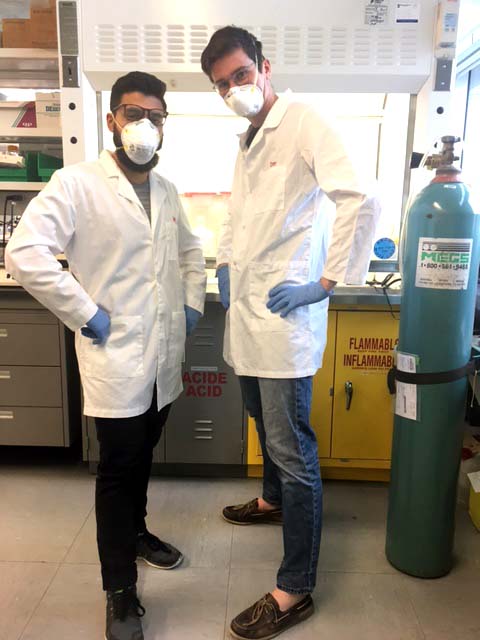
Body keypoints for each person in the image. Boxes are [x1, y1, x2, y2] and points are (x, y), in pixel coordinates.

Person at [5, 71, 206, 640]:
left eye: (156, 116)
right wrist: (85, 311)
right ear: (113, 119)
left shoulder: (166, 189)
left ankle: (136, 534)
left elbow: (192, 254)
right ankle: (119, 590)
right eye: (134, 113)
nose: (146, 125)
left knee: (142, 458)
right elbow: (25, 253)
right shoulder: (76, 183)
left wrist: (191, 307)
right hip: (114, 357)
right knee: (117, 471)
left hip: (162, 358)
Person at [201, 27, 379, 640]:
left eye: (241, 75)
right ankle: (272, 501)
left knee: (292, 448)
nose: (234, 89)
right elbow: (237, 216)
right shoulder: (247, 140)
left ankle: (295, 587)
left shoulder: (304, 121)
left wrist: (325, 283)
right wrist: (225, 263)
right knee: (260, 418)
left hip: (285, 319)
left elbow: (359, 198)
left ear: (265, 67)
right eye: (222, 84)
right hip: (248, 316)